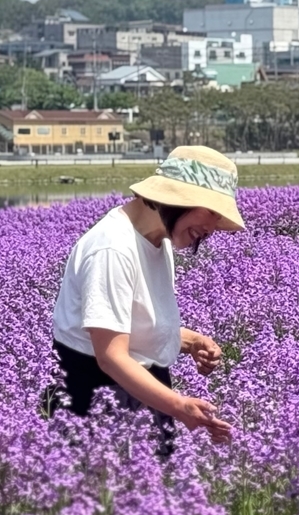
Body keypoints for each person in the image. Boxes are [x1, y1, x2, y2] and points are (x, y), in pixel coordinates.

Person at [46, 146, 243, 456]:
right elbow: (111, 355)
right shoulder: (112, 249)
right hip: (98, 405)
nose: (212, 227)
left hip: (139, 397)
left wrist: (190, 341)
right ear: (178, 198)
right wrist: (179, 406)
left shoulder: (157, 241)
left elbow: (129, 324)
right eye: (212, 212)